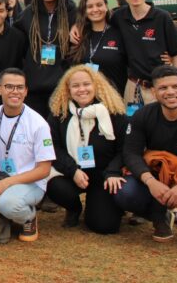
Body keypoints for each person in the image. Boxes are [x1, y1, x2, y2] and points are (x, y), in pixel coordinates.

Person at [114, 65, 177, 253]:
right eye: (163, 88)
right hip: (158, 181)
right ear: (153, 92)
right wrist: (150, 181)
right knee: (124, 192)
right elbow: (131, 153)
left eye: (175, 86)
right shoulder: (143, 115)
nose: (170, 92)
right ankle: (159, 216)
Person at [0, 68, 55, 243]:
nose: (15, 91)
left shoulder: (38, 124)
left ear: (26, 91)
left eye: (19, 87)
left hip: (29, 183)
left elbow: (44, 170)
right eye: (9, 86)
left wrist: (5, 184)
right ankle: (7, 215)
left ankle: (29, 217)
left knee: (8, 204)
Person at [46, 65, 127, 234]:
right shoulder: (59, 113)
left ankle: (109, 206)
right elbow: (54, 147)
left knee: (104, 226)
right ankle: (74, 208)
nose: (81, 89)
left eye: (86, 84)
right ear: (68, 90)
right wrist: (73, 170)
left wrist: (113, 172)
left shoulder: (113, 113)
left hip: (103, 174)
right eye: (75, 86)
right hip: (73, 172)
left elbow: (124, 149)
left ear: (96, 85)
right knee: (52, 184)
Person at [109, 0, 177, 110]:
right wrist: (77, 26)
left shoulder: (162, 17)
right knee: (133, 129)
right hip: (133, 87)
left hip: (159, 86)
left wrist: (176, 85)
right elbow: (96, 23)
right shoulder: (118, 17)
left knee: (161, 130)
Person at [14, 0, 75, 119]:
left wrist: (78, 25)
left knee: (58, 130)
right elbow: (14, 40)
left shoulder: (72, 12)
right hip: (34, 85)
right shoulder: (28, 14)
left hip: (62, 85)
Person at [69, 0, 128, 94]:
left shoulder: (120, 33)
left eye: (99, 5)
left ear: (106, 6)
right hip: (85, 100)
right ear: (84, 10)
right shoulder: (78, 35)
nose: (95, 9)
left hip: (114, 99)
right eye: (90, 6)